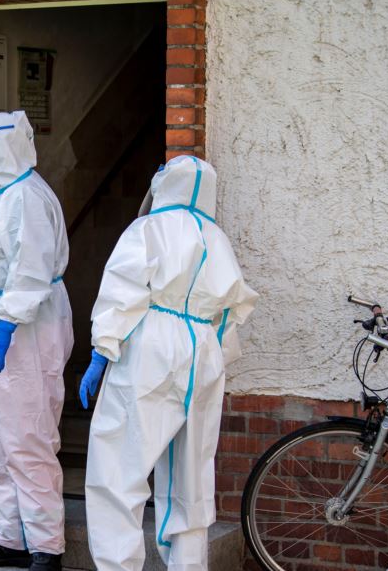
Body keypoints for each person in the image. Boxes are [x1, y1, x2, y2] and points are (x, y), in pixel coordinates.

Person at [79, 156, 258, 571]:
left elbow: (123, 291)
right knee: (191, 477)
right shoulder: (218, 239)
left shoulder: (148, 229)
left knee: (118, 468)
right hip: (203, 348)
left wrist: (102, 348)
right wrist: (210, 356)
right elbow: (231, 312)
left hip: (151, 343)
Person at [0, 111, 73, 571]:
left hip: (24, 333)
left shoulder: (24, 197)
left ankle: (46, 546)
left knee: (28, 437)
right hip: (5, 331)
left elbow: (29, 271)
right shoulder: (6, 195)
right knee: (3, 441)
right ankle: (12, 537)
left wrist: (6, 324)